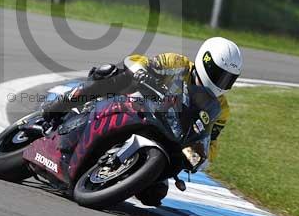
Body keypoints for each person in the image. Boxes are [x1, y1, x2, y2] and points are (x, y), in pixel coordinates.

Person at [40, 37, 243, 204]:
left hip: (173, 140)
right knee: (113, 75)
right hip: (142, 108)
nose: (221, 82)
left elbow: (211, 140)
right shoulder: (177, 64)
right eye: (219, 74)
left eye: (228, 79)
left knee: (154, 195)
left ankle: (116, 175)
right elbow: (143, 62)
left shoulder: (222, 109)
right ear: (204, 61)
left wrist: (202, 154)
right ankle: (62, 104)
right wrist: (141, 71)